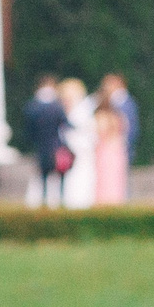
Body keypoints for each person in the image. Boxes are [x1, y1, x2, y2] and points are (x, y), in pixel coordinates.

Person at [23, 77, 67, 207]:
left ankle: (44, 201)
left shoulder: (32, 106)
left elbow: (29, 128)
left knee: (43, 176)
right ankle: (59, 200)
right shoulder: (57, 106)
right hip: (55, 145)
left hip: (40, 146)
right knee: (59, 175)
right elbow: (65, 123)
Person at [59, 78, 98, 210]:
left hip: (81, 153)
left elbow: (90, 133)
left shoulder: (83, 110)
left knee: (81, 183)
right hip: (71, 154)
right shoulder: (70, 111)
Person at [92, 93, 130, 207]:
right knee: (116, 181)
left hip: (104, 152)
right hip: (117, 152)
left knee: (104, 181)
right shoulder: (118, 116)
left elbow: (99, 133)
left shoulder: (101, 117)